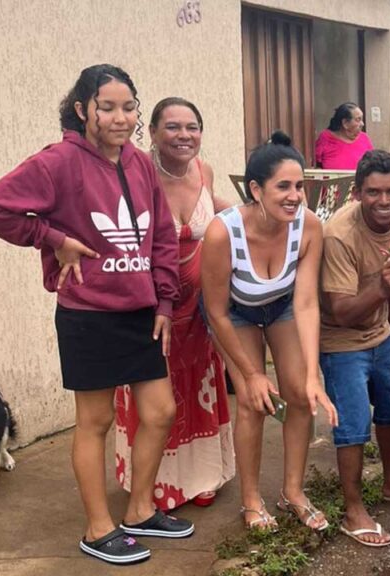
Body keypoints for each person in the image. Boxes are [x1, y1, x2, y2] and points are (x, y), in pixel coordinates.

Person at [0, 64, 191, 564]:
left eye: (129, 107)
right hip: (87, 313)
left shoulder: (139, 163)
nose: (120, 117)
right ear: (82, 109)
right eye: (108, 107)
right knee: (94, 421)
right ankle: (98, 528)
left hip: (141, 312)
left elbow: (161, 234)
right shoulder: (58, 162)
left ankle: (139, 510)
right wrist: (52, 239)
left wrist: (163, 299)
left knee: (160, 413)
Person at [200, 131, 338, 534]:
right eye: (284, 187)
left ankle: (292, 492)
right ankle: (251, 499)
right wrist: (252, 373)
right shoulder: (222, 232)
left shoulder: (309, 226)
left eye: (300, 186)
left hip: (281, 306)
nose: (295, 195)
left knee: (299, 393)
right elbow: (216, 311)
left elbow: (307, 302)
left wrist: (313, 374)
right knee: (252, 399)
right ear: (256, 189)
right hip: (234, 312)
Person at [114, 97, 235, 511]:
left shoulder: (205, 170)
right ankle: (155, 484)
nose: (184, 135)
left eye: (192, 127)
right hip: (150, 306)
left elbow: (213, 213)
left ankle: (201, 476)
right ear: (151, 132)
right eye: (173, 127)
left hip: (200, 307)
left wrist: (254, 215)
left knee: (197, 386)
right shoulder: (135, 174)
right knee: (157, 397)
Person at [318, 150, 390, 547]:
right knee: (353, 424)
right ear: (356, 192)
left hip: (380, 332)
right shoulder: (339, 235)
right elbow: (341, 311)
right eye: (373, 192)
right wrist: (382, 289)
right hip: (340, 341)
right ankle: (353, 509)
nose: (384, 201)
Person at [314, 102, 374, 170]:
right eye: (358, 120)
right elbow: (316, 166)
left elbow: (373, 165)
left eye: (361, 120)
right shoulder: (325, 138)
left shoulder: (364, 138)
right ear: (345, 123)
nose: (362, 124)